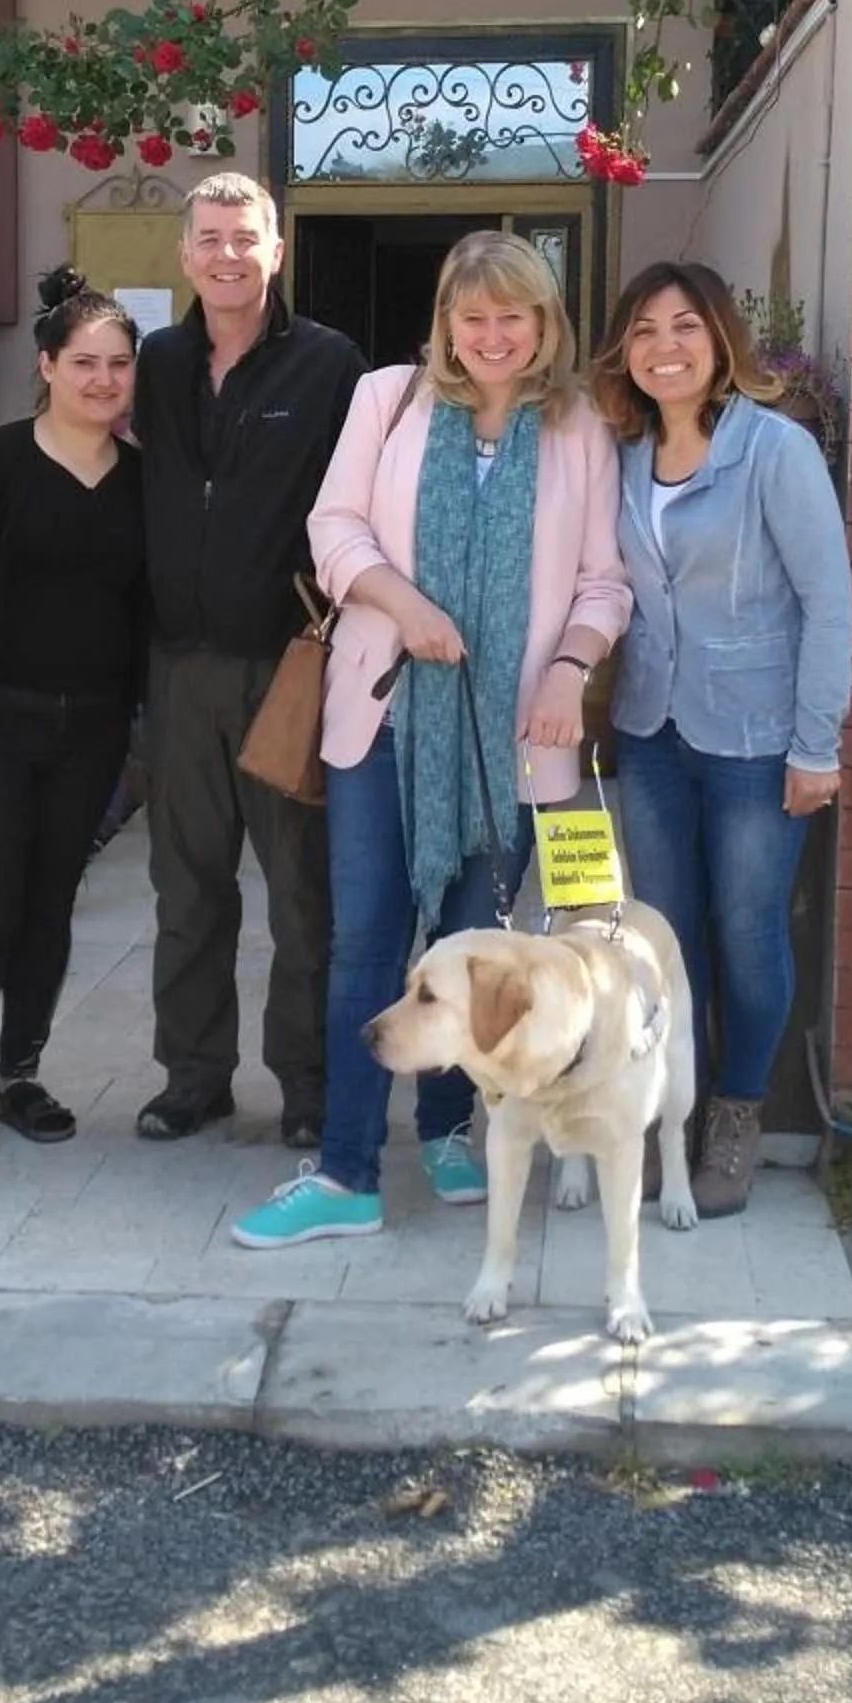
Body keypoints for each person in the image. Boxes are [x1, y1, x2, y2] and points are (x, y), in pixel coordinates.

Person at [232, 230, 631, 1250]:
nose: (493, 336)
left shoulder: (579, 425)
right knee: (367, 942)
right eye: (474, 316)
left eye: (514, 317)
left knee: (480, 949)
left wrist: (568, 669)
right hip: (384, 714)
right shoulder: (388, 399)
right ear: (446, 323)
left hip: (514, 737)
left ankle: (453, 1128)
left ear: (544, 325)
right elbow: (335, 531)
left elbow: (602, 580)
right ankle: (348, 1173)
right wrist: (403, 605)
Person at [588, 260, 852, 1219]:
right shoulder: (616, 456)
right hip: (650, 732)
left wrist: (815, 744)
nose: (666, 347)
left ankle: (736, 1113)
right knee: (662, 941)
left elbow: (829, 601)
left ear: (721, 341)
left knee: (747, 936)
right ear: (625, 350)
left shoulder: (774, 451)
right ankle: (673, 1112)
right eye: (647, 330)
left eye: (686, 327)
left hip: (755, 737)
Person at [132, 172, 364, 1149]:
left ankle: (306, 1087)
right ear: (186, 254)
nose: (229, 255)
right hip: (179, 671)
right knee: (187, 889)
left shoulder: (331, 365)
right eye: (211, 238)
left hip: (290, 670)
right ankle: (195, 1078)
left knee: (303, 895)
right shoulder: (158, 362)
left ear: (277, 252)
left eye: (247, 238)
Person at [0, 269, 148, 1153]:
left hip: (91, 727)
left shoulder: (143, 481)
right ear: (48, 366)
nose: (103, 380)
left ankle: (21, 1073)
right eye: (85, 362)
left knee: (51, 904)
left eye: (120, 365)